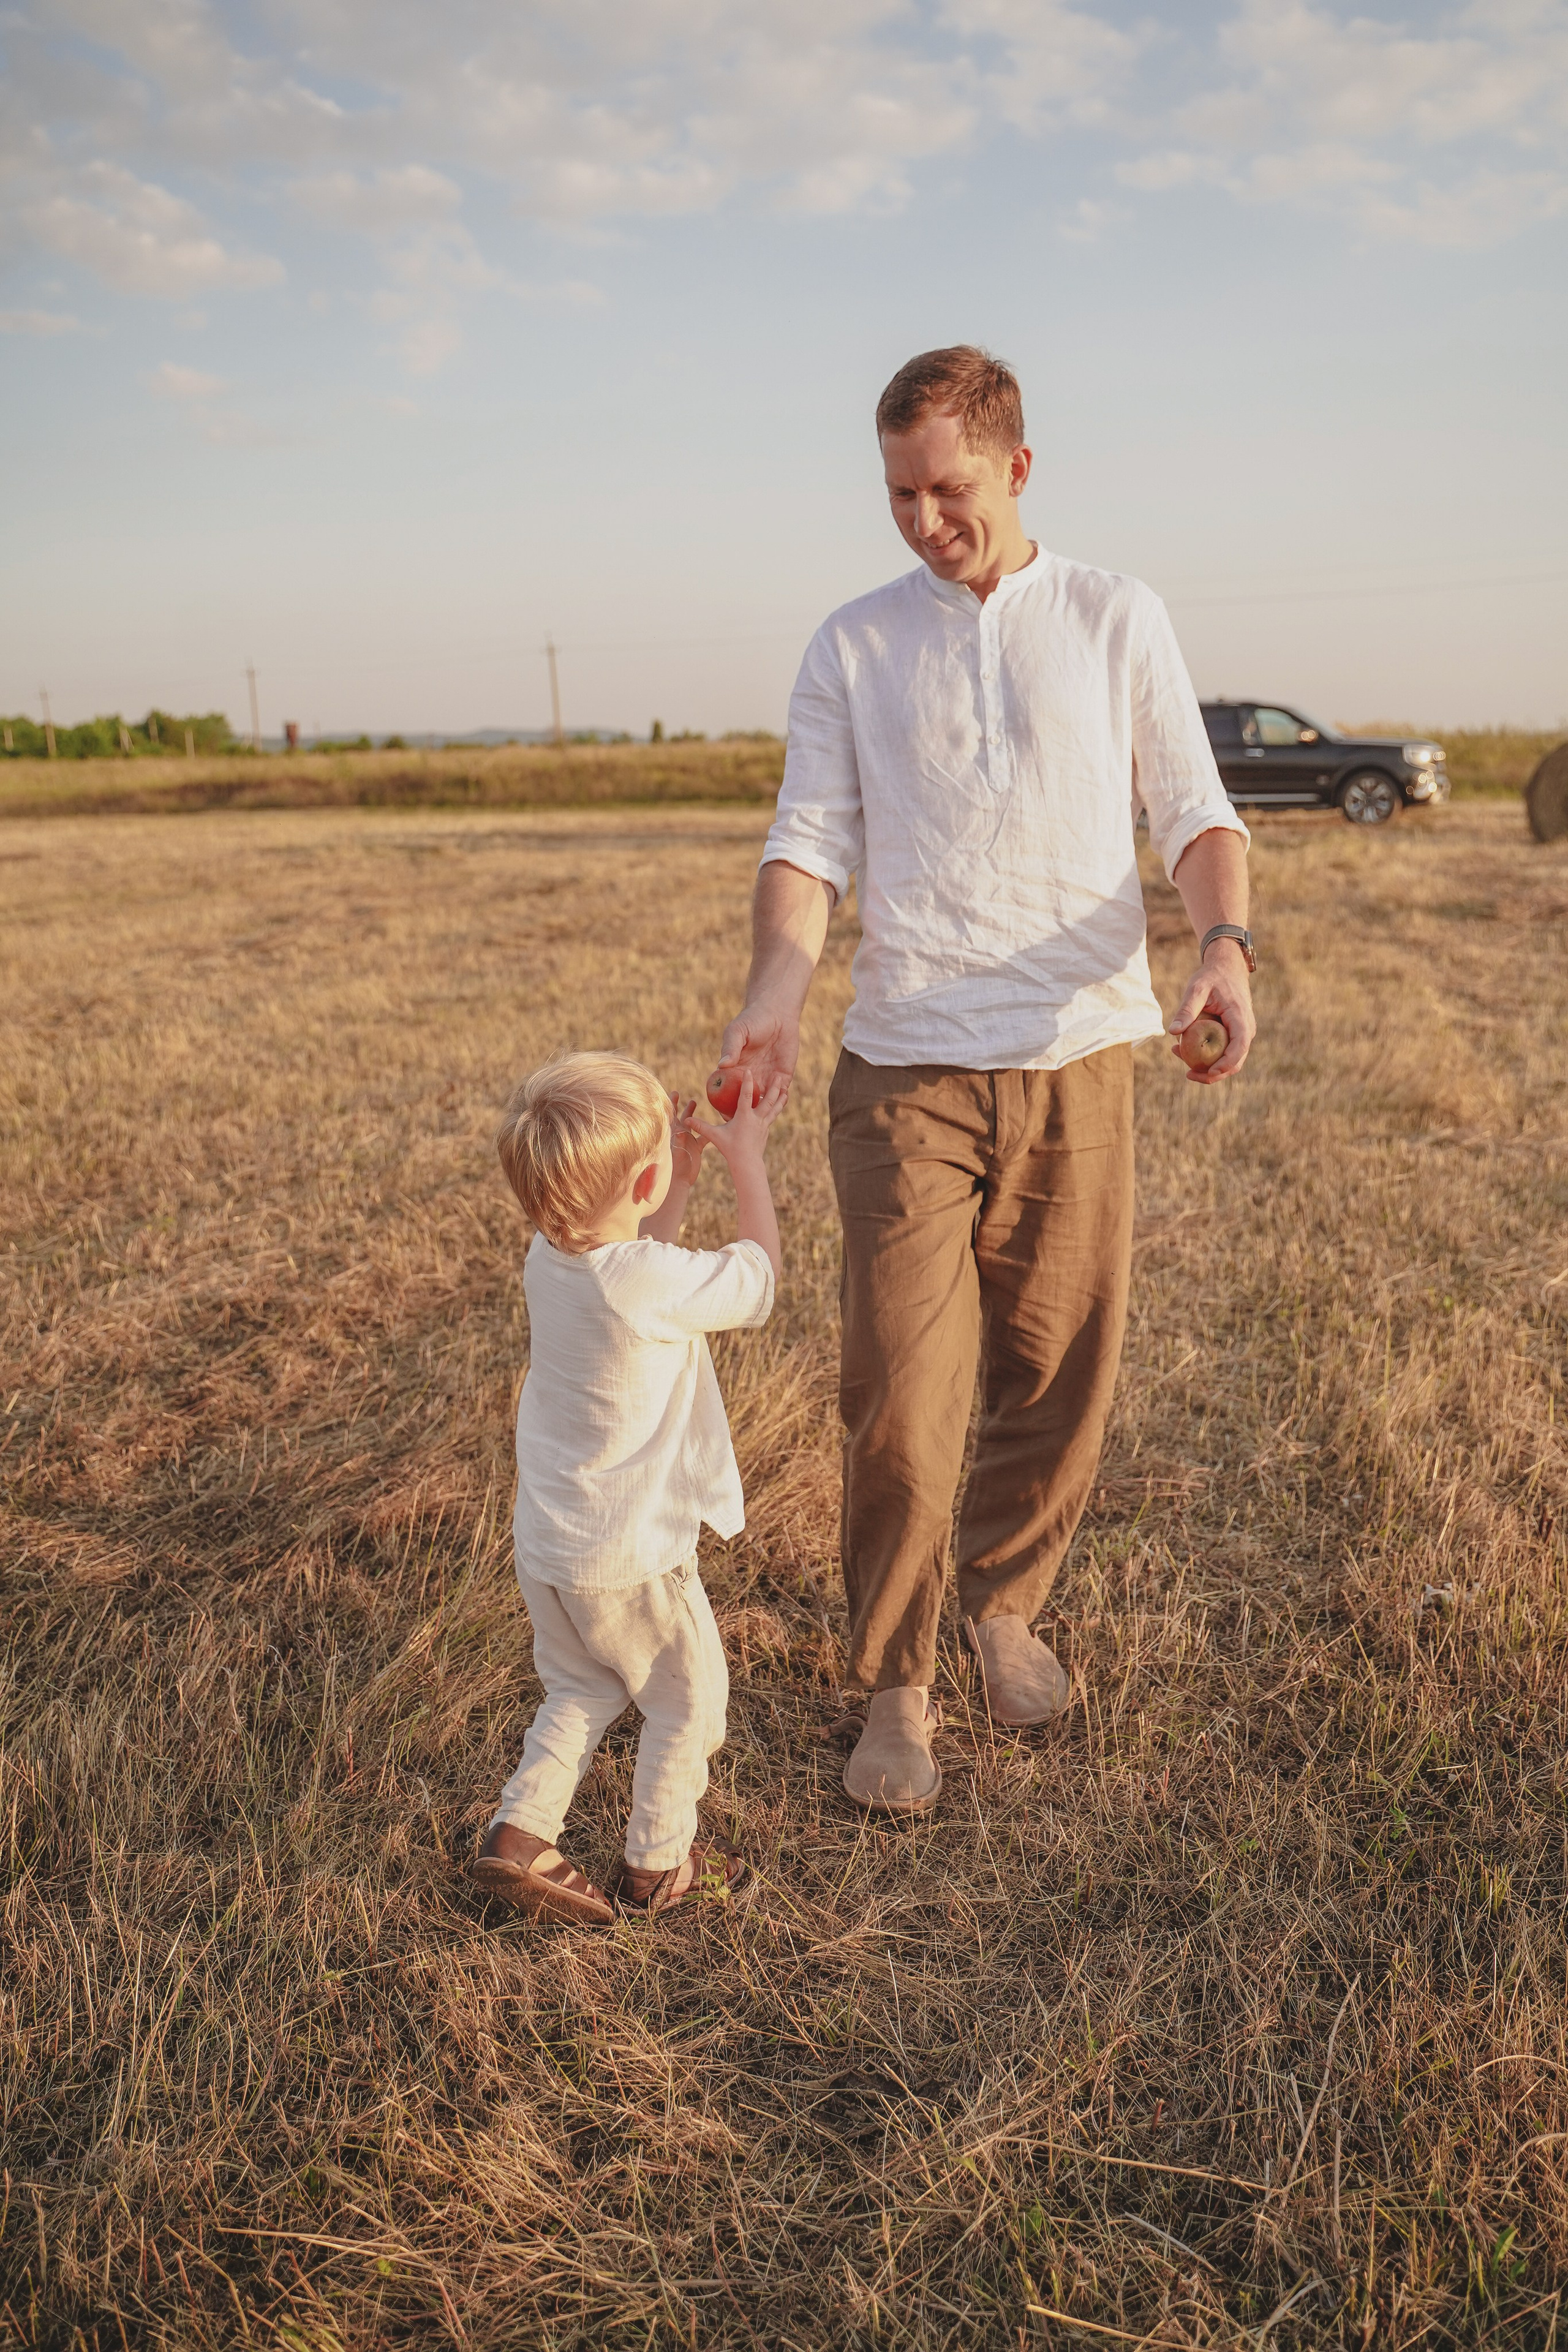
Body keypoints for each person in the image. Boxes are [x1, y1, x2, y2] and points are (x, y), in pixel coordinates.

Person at [715, 345, 1256, 1815]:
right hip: (903, 1068)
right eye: (897, 492)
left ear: (1018, 468)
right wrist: (775, 991)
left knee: (1058, 1372)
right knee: (899, 1387)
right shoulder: (851, 644)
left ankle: (1000, 1606)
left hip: (1080, 1056)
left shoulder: (1110, 615)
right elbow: (805, 847)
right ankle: (896, 1682)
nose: (920, 518)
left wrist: (1219, 947)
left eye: (945, 488)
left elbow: (1189, 811)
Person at [471, 1050, 785, 1920]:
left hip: (551, 1549)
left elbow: (635, 1252)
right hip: (634, 1559)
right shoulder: (642, 1284)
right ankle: (657, 1867)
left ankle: (521, 1832)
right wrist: (743, 1157)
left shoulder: (550, 1255)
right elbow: (756, 1284)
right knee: (689, 1706)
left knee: (584, 1689)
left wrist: (669, 1180)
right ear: (643, 1179)